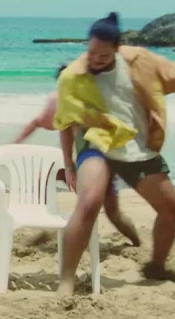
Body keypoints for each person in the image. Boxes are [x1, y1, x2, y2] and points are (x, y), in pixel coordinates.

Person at [53, 13, 175, 295]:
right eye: (91, 52)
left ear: (117, 49)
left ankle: (156, 266)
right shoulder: (73, 76)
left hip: (137, 147)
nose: (95, 60)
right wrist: (69, 165)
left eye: (103, 55)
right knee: (89, 203)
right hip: (97, 144)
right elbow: (64, 123)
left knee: (172, 210)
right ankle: (66, 281)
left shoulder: (140, 61)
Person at [14, 65, 140, 248]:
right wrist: (68, 167)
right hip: (82, 161)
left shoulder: (94, 101)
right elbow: (51, 126)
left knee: (113, 213)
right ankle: (46, 223)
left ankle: (137, 243)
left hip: (105, 161)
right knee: (45, 175)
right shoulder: (62, 102)